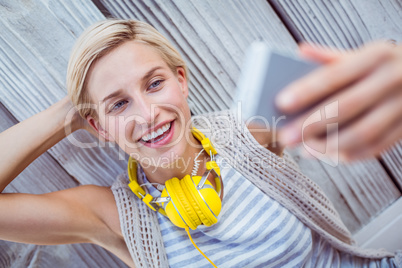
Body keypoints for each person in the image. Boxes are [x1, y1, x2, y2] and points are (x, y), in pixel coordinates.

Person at [0, 18, 401, 268]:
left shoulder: (250, 134)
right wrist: (65, 114)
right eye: (120, 104)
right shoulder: (111, 216)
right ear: (98, 126)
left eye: (154, 84)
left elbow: (364, 96)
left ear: (182, 81)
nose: (148, 114)